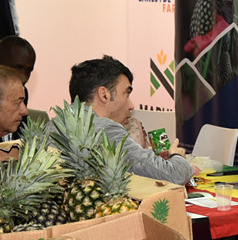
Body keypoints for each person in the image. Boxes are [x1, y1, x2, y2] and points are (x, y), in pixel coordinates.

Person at [67, 55, 193, 185]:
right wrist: (176, 156)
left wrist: (153, 162)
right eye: (126, 94)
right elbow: (175, 175)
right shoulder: (106, 130)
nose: (131, 106)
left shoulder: (58, 123)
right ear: (104, 95)